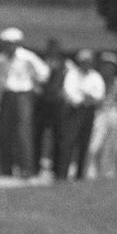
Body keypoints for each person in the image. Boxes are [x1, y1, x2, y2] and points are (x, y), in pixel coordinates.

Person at [0, 27, 49, 178]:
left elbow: (43, 72)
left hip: (23, 94)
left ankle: (26, 168)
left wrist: (34, 82)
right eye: (7, 43)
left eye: (13, 43)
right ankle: (6, 168)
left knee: (23, 132)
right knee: (5, 132)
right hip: (6, 95)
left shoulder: (27, 57)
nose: (10, 46)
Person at [58, 48, 104, 181]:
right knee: (69, 142)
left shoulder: (95, 76)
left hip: (89, 111)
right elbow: (69, 91)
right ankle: (63, 174)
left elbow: (99, 94)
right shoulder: (72, 74)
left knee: (84, 143)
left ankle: (80, 175)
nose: (86, 64)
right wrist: (83, 96)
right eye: (84, 61)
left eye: (88, 61)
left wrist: (86, 95)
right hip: (74, 111)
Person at [85, 51, 117, 179]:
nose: (108, 68)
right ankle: (90, 172)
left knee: (111, 146)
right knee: (94, 145)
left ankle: (107, 174)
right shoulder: (94, 79)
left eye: (111, 66)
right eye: (106, 65)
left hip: (114, 114)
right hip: (97, 114)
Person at [33, 38, 69, 177]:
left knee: (58, 136)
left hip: (57, 103)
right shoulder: (41, 62)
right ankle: (35, 166)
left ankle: (58, 170)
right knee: (38, 134)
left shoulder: (64, 64)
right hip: (42, 101)